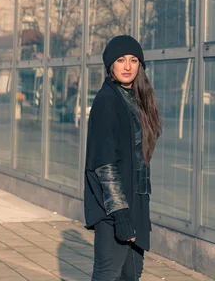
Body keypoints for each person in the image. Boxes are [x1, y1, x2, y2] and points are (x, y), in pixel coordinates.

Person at [84, 35, 161, 280]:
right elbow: (104, 164)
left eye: (133, 60)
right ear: (110, 65)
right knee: (108, 274)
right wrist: (121, 215)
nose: (127, 66)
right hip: (115, 208)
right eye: (120, 60)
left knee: (131, 274)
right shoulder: (108, 101)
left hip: (135, 204)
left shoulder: (137, 99)